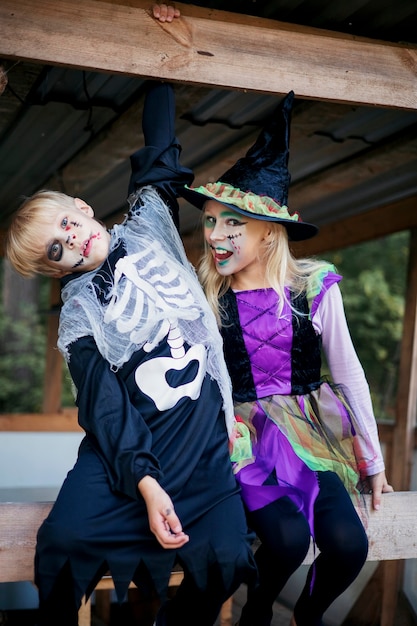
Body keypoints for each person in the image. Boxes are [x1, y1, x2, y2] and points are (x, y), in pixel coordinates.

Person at [4, 7, 256, 626]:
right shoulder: (78, 310)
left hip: (200, 443)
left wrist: (155, 49)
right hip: (131, 452)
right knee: (61, 546)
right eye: (55, 252)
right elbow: (102, 405)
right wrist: (144, 483)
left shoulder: (148, 223)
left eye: (67, 225)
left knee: (227, 558)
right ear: (56, 270)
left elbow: (159, 144)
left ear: (84, 208)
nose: (70, 242)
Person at [180, 90, 394, 626]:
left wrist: (372, 459)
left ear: (268, 231)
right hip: (243, 438)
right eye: (209, 222)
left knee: (347, 545)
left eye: (232, 224)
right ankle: (256, 612)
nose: (216, 236)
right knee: (288, 539)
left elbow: (347, 373)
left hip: (310, 434)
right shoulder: (204, 298)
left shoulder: (315, 285)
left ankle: (307, 615)